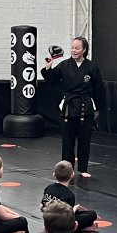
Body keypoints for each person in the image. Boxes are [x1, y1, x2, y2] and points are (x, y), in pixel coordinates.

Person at [42, 37, 105, 178]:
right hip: (69, 107)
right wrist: (48, 66)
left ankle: (83, 169)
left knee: (84, 140)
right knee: (67, 140)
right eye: (72, 48)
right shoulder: (64, 65)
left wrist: (98, 108)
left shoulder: (92, 67)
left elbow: (99, 89)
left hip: (85, 106)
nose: (74, 50)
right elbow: (51, 80)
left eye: (77, 48)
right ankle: (66, 170)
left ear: (84, 50)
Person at [41, 160, 98, 232]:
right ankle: (76, 229)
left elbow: (41, 206)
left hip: (48, 221)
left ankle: (50, 227)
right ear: (72, 175)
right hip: (61, 224)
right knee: (92, 214)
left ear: (54, 175)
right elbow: (68, 217)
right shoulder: (69, 195)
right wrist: (75, 208)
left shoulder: (49, 188)